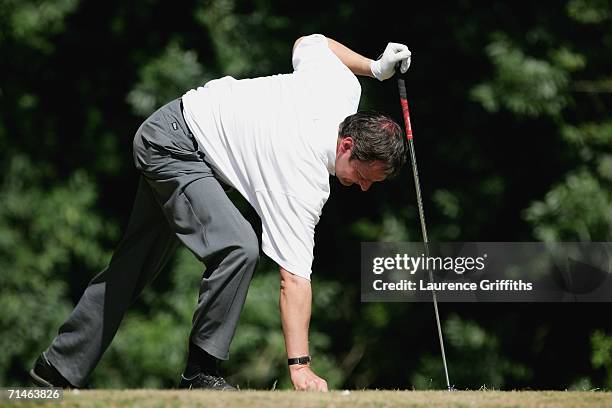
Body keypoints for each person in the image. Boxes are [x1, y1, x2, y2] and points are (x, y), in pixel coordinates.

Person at [30, 34, 411, 392]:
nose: (363, 187)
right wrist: (300, 366)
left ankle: (56, 370)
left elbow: (310, 43)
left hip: (184, 137)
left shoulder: (342, 89)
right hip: (173, 146)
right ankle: (200, 372)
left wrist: (375, 69)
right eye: (363, 177)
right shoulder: (302, 178)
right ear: (347, 145)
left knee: (134, 265)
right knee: (238, 246)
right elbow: (293, 279)